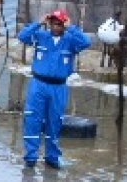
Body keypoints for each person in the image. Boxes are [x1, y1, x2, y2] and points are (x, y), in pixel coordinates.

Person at [16, 9, 91, 168]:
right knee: (32, 120)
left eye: (59, 24)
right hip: (38, 85)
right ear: (49, 24)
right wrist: (38, 23)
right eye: (53, 23)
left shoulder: (70, 40)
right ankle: (30, 157)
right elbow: (22, 36)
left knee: (54, 121)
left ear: (63, 25)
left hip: (58, 87)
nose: (55, 27)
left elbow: (86, 42)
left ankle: (52, 157)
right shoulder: (41, 36)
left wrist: (71, 27)